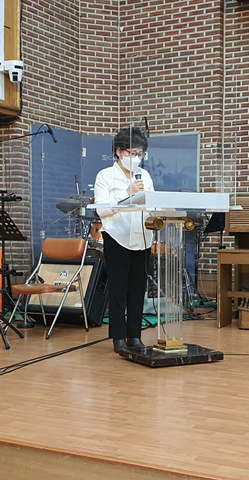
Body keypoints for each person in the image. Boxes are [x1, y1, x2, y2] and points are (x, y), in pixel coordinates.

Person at [94, 127, 154, 353]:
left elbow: (151, 203)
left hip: (143, 237)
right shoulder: (105, 176)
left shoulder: (145, 175)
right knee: (119, 288)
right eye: (131, 153)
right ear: (119, 152)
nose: (136, 158)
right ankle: (118, 337)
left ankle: (134, 336)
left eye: (140, 154)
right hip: (117, 237)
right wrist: (127, 193)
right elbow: (102, 210)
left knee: (138, 289)